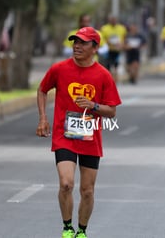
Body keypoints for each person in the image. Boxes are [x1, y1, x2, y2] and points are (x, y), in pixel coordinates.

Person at [36, 26, 122, 238]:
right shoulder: (59, 69)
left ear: (95, 48)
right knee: (66, 183)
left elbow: (111, 111)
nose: (77, 46)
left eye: (83, 43)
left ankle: (81, 231)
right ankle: (67, 228)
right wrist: (43, 118)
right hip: (63, 135)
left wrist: (93, 105)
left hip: (89, 137)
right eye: (75, 41)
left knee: (87, 190)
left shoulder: (103, 75)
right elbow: (42, 89)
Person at [100, 14, 127, 82]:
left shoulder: (122, 28)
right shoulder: (104, 28)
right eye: (112, 20)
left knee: (116, 67)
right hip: (108, 51)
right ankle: (108, 80)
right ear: (109, 20)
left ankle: (115, 81)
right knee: (108, 67)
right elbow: (102, 39)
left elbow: (124, 38)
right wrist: (108, 42)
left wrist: (122, 45)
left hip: (117, 51)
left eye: (114, 20)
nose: (113, 21)